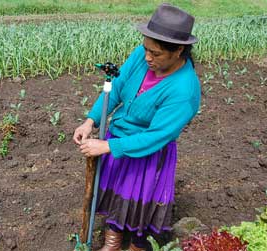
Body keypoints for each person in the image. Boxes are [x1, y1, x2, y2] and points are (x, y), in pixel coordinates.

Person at [72, 3, 200, 251]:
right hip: (118, 139)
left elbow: (156, 136)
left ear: (179, 50)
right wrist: (91, 121)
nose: (148, 57)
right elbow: (116, 88)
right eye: (146, 49)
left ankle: (138, 246)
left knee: (138, 202)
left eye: (157, 53)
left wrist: (108, 145)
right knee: (117, 195)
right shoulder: (142, 57)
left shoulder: (184, 90)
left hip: (148, 152)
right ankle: (113, 241)